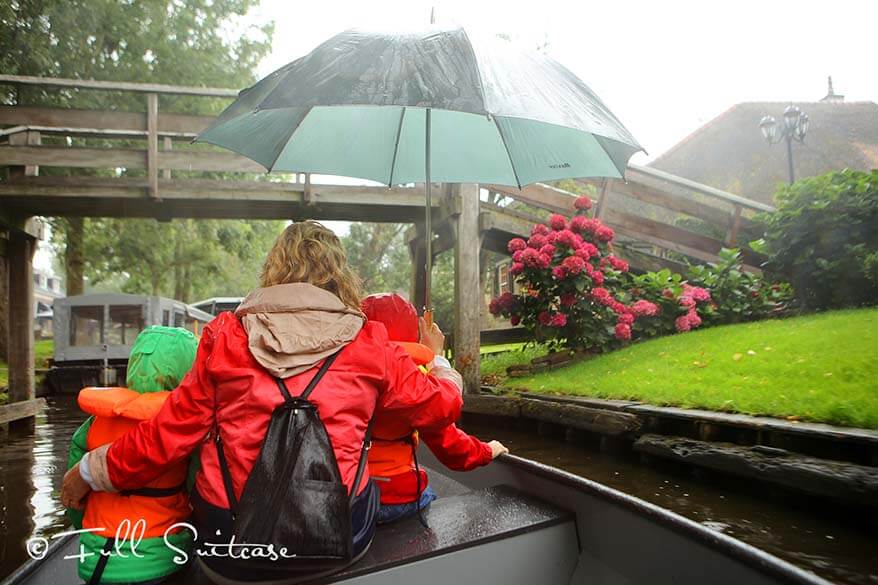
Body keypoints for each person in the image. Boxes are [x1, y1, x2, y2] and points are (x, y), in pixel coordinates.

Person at [62, 221, 465, 585]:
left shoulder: (224, 337)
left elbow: (167, 436)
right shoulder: (371, 343)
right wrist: (439, 359)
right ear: (340, 275)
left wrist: (89, 471)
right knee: (371, 485)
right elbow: (442, 408)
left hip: (231, 549)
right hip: (339, 540)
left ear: (274, 270)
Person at [66, 325, 198, 584]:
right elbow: (199, 493)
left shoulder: (94, 424)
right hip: (161, 557)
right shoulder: (187, 429)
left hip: (95, 558)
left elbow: (73, 498)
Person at [361, 293, 508, 524]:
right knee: (430, 499)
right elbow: (450, 447)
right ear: (414, 332)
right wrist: (486, 451)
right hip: (389, 497)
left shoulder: (343, 370)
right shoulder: (411, 381)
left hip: (347, 491)